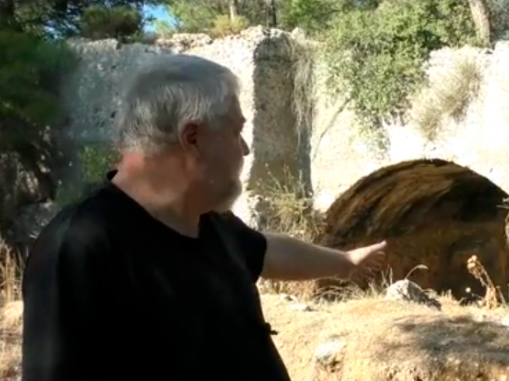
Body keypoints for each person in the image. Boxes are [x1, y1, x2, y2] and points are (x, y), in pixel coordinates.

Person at [21, 54, 386, 381]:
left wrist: (346, 262)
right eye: (236, 131)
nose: (244, 148)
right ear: (192, 137)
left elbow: (265, 252)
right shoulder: (79, 247)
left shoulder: (208, 221)